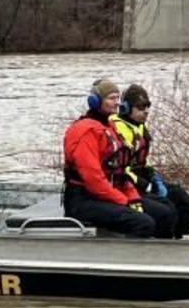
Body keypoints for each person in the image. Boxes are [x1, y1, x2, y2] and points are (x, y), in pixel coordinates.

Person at [62, 78, 176, 239]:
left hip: (108, 194)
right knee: (143, 223)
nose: (117, 103)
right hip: (84, 200)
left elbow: (121, 172)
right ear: (95, 101)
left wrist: (133, 197)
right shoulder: (85, 131)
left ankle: (165, 256)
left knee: (165, 212)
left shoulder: (110, 127)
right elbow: (94, 180)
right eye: (111, 98)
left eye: (118, 98)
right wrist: (123, 201)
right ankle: (130, 261)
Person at [112, 83, 189, 239]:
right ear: (126, 108)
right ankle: (162, 244)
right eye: (141, 107)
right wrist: (145, 184)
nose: (146, 112)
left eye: (148, 107)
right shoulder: (118, 129)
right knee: (165, 211)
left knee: (181, 197)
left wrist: (153, 175)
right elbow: (121, 167)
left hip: (142, 179)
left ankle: (185, 237)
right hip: (127, 184)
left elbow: (141, 160)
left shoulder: (139, 127)